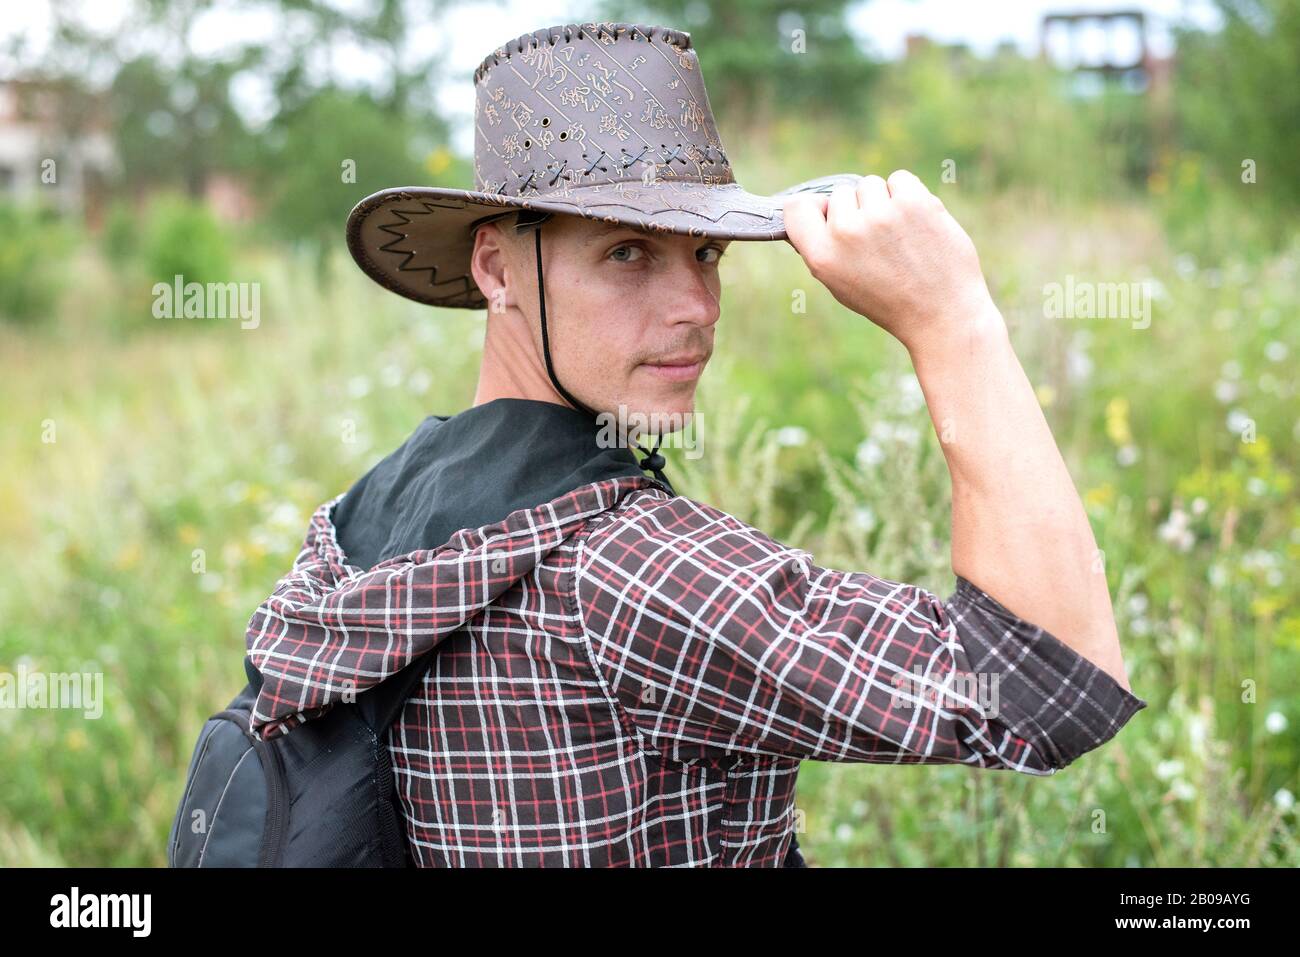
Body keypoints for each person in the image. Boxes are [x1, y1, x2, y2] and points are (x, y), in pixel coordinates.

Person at [243, 21, 1146, 867]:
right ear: (494, 266)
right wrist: (954, 322)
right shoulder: (636, 575)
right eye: (629, 252)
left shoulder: (355, 528)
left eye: (707, 253)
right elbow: (1048, 684)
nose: (698, 308)